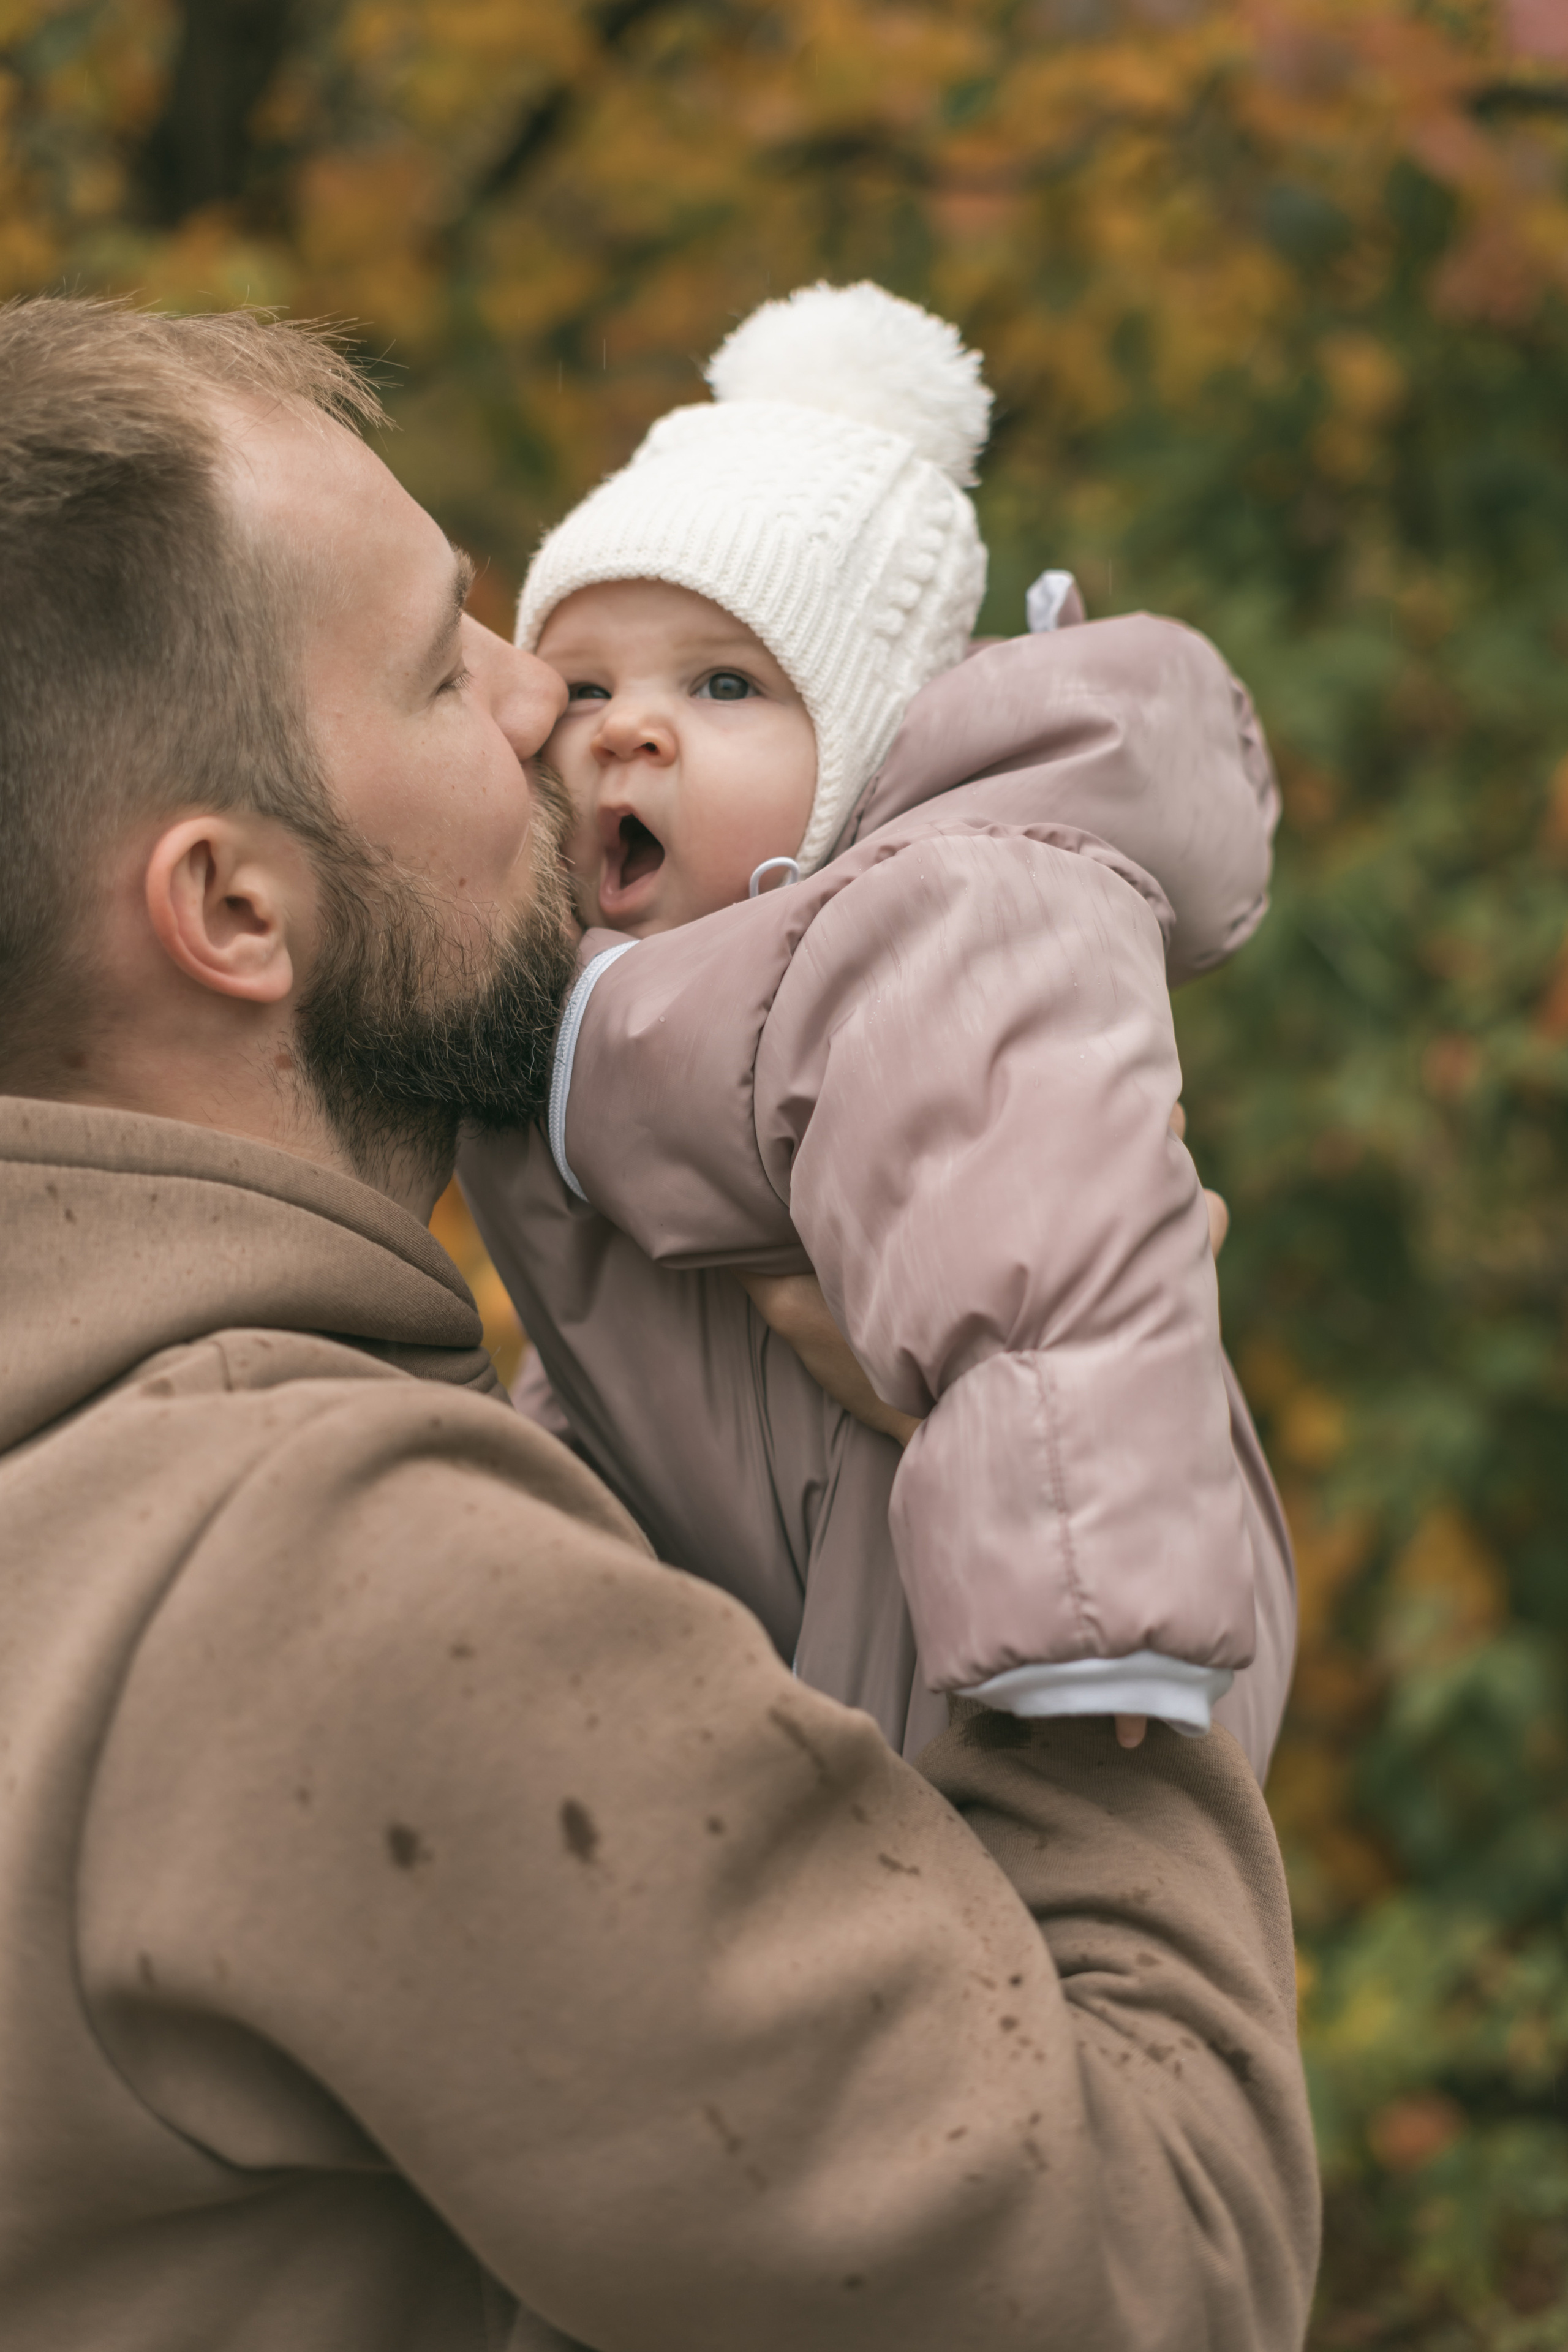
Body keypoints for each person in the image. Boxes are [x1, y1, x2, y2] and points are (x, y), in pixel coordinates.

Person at [0, 293, 1317, 2350]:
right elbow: (1152, 2272)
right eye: (446, 666)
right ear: (235, 912)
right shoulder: (347, 1581)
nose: (551, 706)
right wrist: (1031, 1538)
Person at [459, 282, 1298, 1774]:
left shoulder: (950, 921)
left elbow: (1045, 1266)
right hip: (823, 1643)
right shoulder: (576, 1016)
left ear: (859, 767)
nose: (624, 729)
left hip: (1050, 1642)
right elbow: (626, 1365)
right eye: (582, 684)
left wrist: (1086, 1601)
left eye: (723, 685)